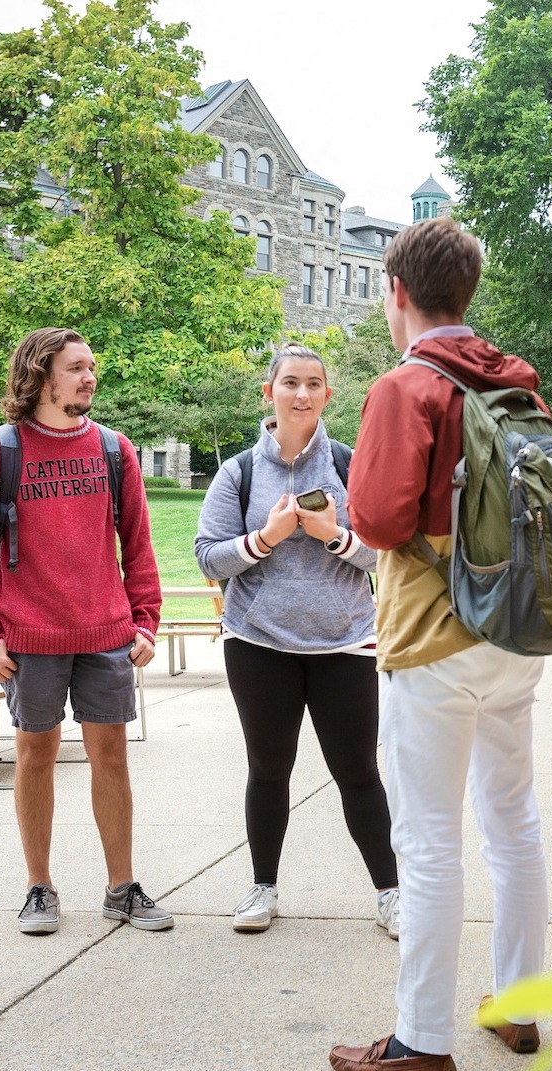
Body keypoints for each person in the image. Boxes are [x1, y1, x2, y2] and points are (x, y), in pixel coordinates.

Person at [329, 218, 547, 1071]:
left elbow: (378, 521)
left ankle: (421, 1040)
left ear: (397, 292)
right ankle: (518, 1003)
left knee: (425, 841)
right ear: (468, 289)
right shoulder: (516, 384)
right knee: (513, 822)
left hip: (433, 636)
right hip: (518, 631)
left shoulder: (407, 385)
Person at [0, 328, 170, 936]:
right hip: (28, 638)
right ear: (41, 375)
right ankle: (38, 888)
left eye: (92, 366)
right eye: (76, 368)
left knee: (111, 758)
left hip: (105, 634)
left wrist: (145, 619)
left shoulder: (115, 450)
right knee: (35, 755)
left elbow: (138, 546)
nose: (89, 376)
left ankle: (122, 887)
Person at [193, 344, 399, 937]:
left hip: (345, 645)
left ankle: (390, 894)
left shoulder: (350, 465)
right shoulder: (240, 472)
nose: (302, 394)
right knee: (268, 770)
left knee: (359, 773)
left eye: (313, 383)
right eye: (290, 383)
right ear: (269, 393)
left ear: (328, 395)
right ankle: (262, 888)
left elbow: (385, 553)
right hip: (259, 645)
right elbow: (209, 556)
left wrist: (335, 535)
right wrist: (267, 537)